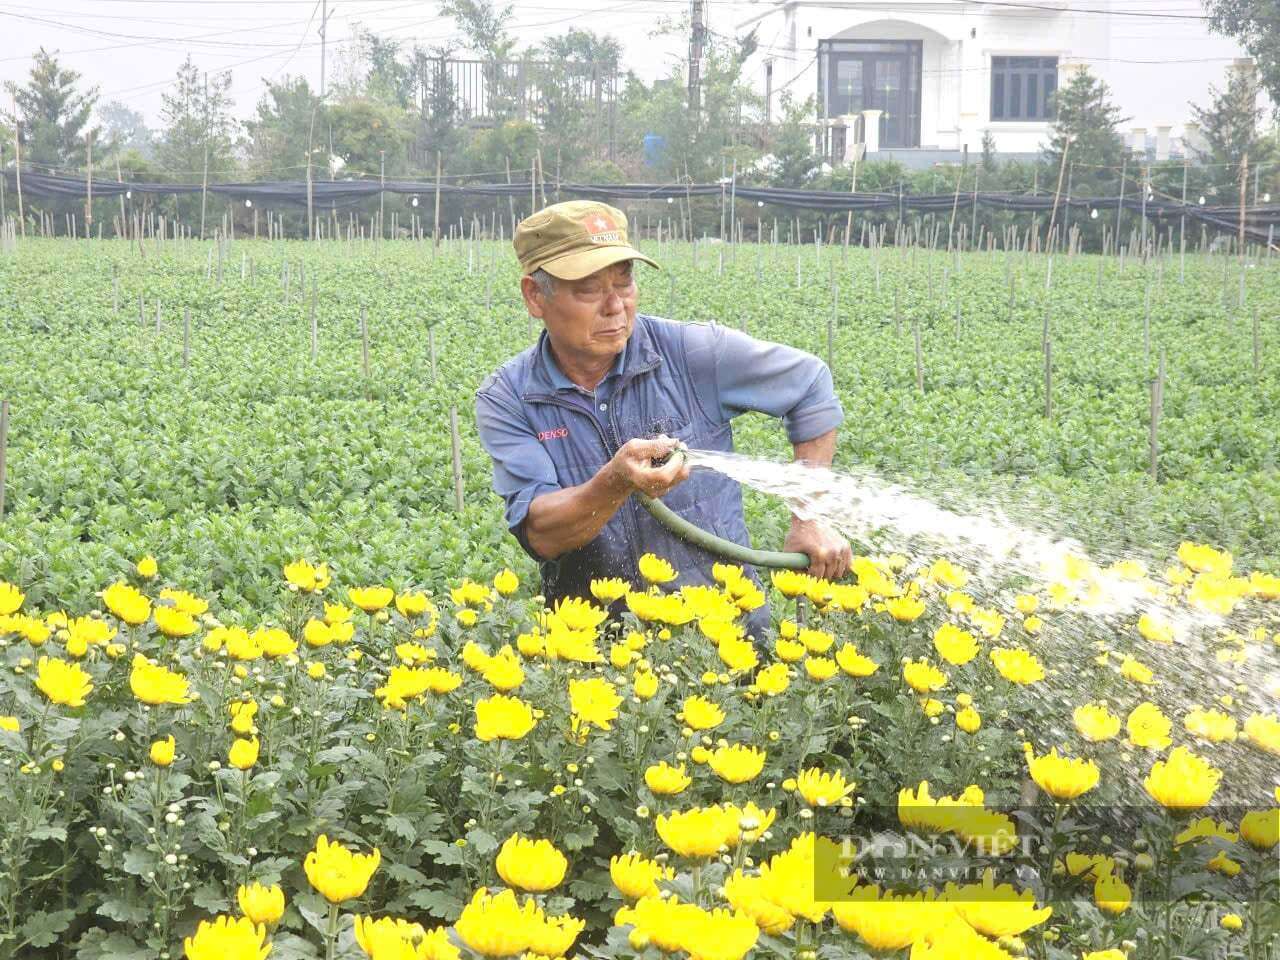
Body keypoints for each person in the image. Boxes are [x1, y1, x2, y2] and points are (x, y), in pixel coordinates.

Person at [475, 200, 851, 639]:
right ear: (535, 296)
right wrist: (613, 483)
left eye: (625, 282)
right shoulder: (510, 397)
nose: (616, 306)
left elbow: (810, 383)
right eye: (589, 289)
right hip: (593, 651)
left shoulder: (693, 353)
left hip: (725, 636)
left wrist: (809, 514)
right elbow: (543, 534)